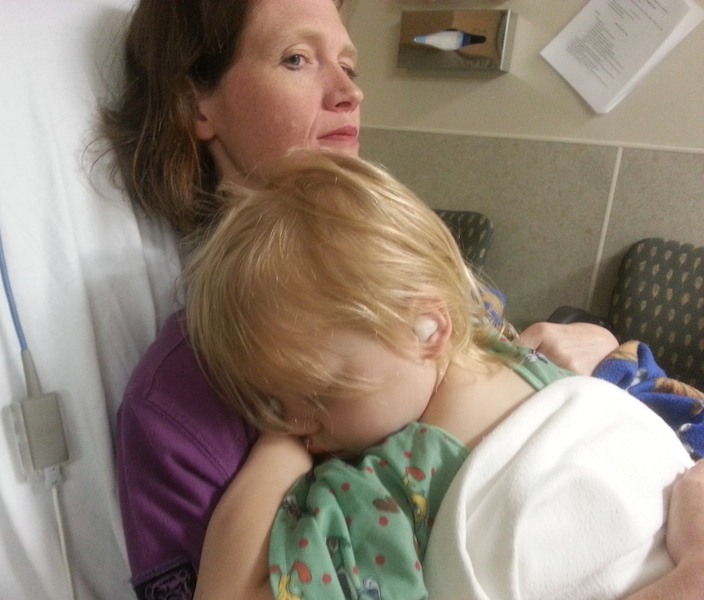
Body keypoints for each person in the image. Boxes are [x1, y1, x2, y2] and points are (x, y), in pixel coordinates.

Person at [101, 0, 704, 598]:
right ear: (195, 103)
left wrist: (606, 362)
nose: (349, 92)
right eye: (296, 58)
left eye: (349, 65)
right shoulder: (178, 403)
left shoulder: (427, 283)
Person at [184, 150, 700, 600]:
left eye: (319, 394)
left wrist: (276, 446)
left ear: (428, 328)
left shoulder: (389, 488)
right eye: (272, 406)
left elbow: (228, 593)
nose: (299, 425)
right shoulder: (525, 362)